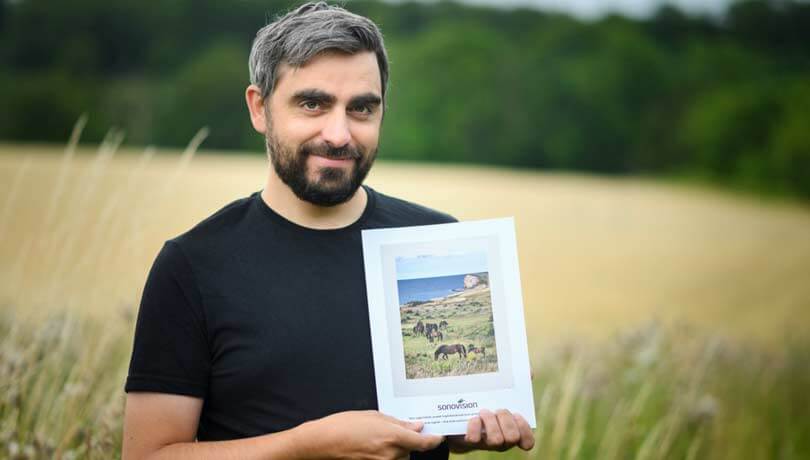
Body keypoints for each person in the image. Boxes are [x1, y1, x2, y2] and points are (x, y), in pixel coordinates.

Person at [122, 2, 535, 459]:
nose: (338, 134)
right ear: (260, 109)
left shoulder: (436, 242)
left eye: (361, 109)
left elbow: (438, 418)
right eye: (312, 104)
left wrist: (463, 427)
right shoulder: (193, 266)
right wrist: (308, 446)